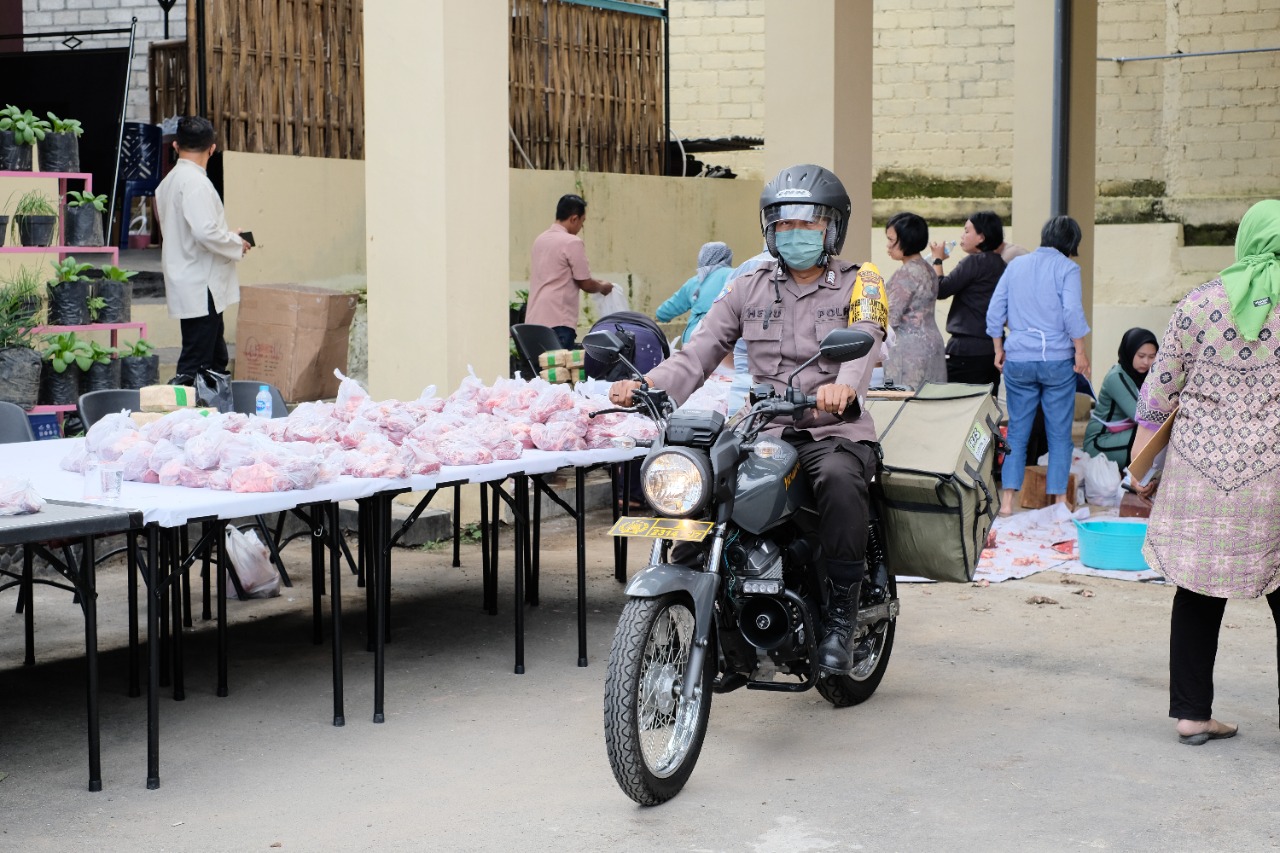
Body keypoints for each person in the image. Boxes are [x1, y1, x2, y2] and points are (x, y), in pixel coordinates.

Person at [609, 164, 885, 675]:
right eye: (784, 224)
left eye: (809, 224)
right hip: (762, 428)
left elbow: (864, 342)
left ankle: (842, 617)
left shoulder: (861, 282)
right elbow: (699, 352)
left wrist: (844, 386)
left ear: (832, 228)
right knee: (704, 482)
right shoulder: (747, 285)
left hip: (831, 430)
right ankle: (720, 616)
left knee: (843, 482)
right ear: (769, 229)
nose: (795, 234)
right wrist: (648, 386)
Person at [1134, 199, 1280, 746]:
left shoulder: (1199, 303)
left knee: (1196, 591)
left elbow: (1157, 393)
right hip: (1273, 476)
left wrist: (1143, 461)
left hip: (1200, 476)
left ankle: (1193, 714)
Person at [986, 215, 1091, 516]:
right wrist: (1080, 351)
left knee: (1017, 431)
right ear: (1072, 244)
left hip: (1017, 358)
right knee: (1059, 434)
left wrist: (998, 348)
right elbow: (1071, 311)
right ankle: (1058, 502)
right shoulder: (1068, 268)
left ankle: (1007, 502)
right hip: (1057, 360)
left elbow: (995, 311)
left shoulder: (1016, 265)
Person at [155, 116, 251, 380]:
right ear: (212, 149)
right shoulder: (195, 182)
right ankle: (180, 415)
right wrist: (235, 242)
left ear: (175, 146)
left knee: (214, 357)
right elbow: (204, 231)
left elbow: (195, 230)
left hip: (190, 276)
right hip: (201, 282)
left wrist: (227, 237)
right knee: (196, 362)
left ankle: (212, 413)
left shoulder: (170, 182)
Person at [929, 211, 1008, 391]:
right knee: (983, 408)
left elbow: (940, 290)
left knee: (959, 407)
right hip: (992, 348)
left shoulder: (973, 262)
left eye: (966, 231)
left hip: (966, 350)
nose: (962, 236)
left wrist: (937, 259)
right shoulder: (1001, 265)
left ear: (981, 237)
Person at [525, 194, 614, 349]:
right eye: (582, 222)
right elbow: (585, 283)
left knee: (539, 372)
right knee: (560, 371)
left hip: (534, 321)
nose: (581, 227)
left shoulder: (540, 240)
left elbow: (560, 275)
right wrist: (603, 287)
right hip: (558, 321)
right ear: (574, 218)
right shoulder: (572, 242)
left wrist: (597, 281)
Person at [882, 212, 946, 389]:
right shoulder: (928, 269)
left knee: (906, 406)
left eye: (891, 239)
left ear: (906, 239)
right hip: (933, 346)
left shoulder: (905, 273)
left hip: (908, 351)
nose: (888, 245)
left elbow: (889, 318)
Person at [1082, 327, 1159, 468]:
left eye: (1152, 356)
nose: (1146, 362)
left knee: (1153, 433)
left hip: (1123, 436)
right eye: (1141, 356)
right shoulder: (1116, 377)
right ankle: (1139, 481)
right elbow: (1142, 416)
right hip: (1099, 442)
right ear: (1129, 352)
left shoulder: (1147, 377)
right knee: (1150, 435)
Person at [655, 241, 734, 344]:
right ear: (728, 257)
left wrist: (661, 317)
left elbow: (664, 312)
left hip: (692, 341)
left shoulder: (695, 281)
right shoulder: (735, 275)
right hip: (723, 340)